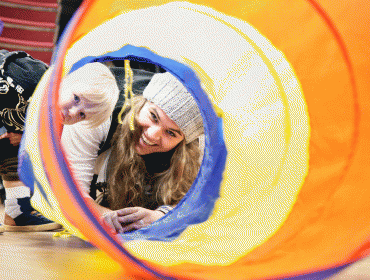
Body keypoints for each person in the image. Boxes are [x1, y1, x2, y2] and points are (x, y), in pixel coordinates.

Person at [61, 71, 204, 234]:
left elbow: (201, 205)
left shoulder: (197, 146)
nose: (152, 135)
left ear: (183, 141)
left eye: (171, 133)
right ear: (142, 103)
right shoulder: (96, 114)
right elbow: (69, 194)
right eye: (153, 117)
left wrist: (161, 216)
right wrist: (109, 217)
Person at [0, 52, 119, 232]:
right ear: (67, 80)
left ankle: (18, 211)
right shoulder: (30, 78)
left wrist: (19, 132)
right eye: (76, 98)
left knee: (18, 148)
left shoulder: (51, 119)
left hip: (10, 114)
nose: (73, 112)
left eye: (82, 115)